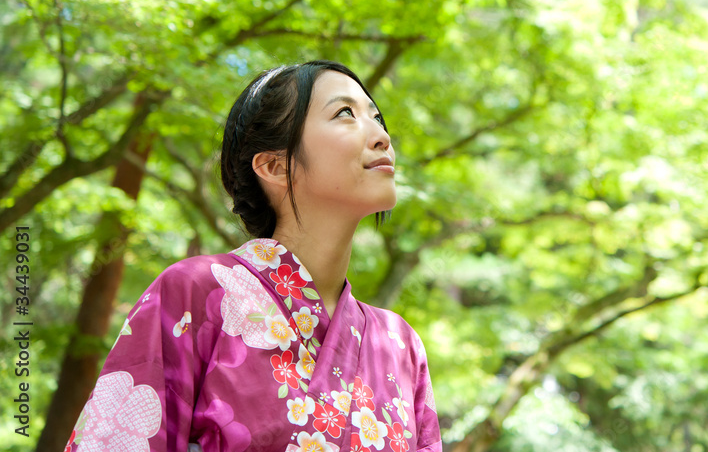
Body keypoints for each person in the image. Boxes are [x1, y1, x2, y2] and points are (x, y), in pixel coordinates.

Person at [65, 60, 442, 452]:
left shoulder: (400, 344)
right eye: (345, 113)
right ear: (275, 166)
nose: (382, 135)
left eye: (377, 117)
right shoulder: (196, 293)